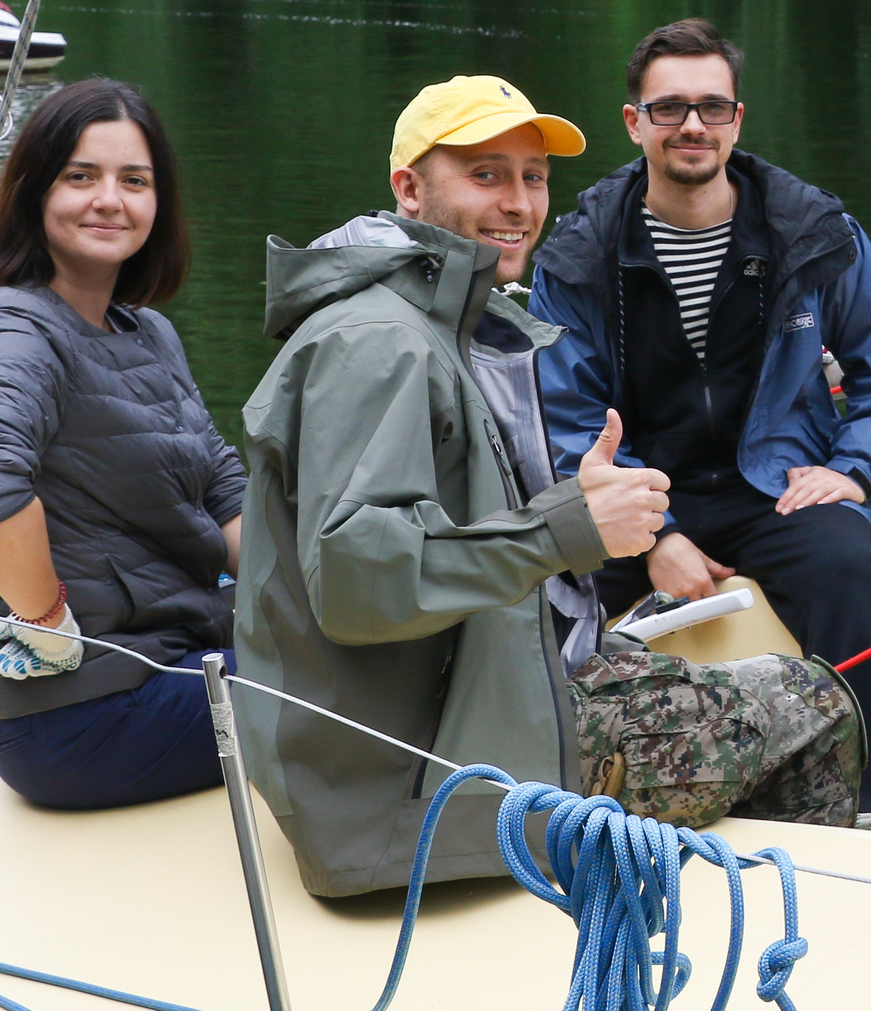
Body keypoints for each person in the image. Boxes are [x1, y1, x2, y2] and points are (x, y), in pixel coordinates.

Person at [233, 76, 671, 897]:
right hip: (401, 793)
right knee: (813, 701)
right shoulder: (379, 342)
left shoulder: (427, 320)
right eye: (486, 173)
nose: (519, 203)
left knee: (705, 674)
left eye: (533, 177)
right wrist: (565, 529)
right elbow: (360, 577)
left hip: (433, 727)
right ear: (409, 188)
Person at [532, 18, 871, 818]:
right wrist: (655, 534)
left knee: (844, 563)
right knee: (536, 586)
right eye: (670, 107)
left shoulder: (811, 232)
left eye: (712, 107)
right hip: (637, 493)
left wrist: (853, 467)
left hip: (775, 485)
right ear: (634, 121)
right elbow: (564, 414)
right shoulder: (578, 253)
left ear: (737, 120)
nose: (692, 125)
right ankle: (546, 795)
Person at [0, 77, 241, 810]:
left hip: (172, 662)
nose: (111, 199)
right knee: (370, 689)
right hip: (79, 717)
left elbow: (223, 488)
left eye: (134, 180)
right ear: (35, 191)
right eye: (81, 176)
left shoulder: (145, 329)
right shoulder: (15, 327)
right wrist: (44, 625)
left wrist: (314, 596)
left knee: (366, 649)